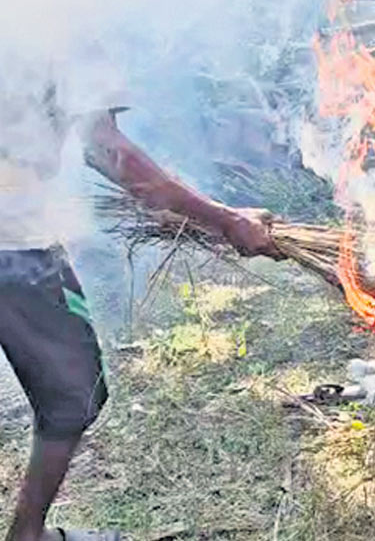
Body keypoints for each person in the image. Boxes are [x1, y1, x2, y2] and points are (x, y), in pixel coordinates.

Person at [1, 58, 282, 541]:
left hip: (17, 237)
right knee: (74, 393)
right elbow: (111, 154)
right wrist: (225, 219)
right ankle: (28, 536)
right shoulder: (67, 25)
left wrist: (191, 208)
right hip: (12, 242)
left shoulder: (38, 6)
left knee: (74, 393)